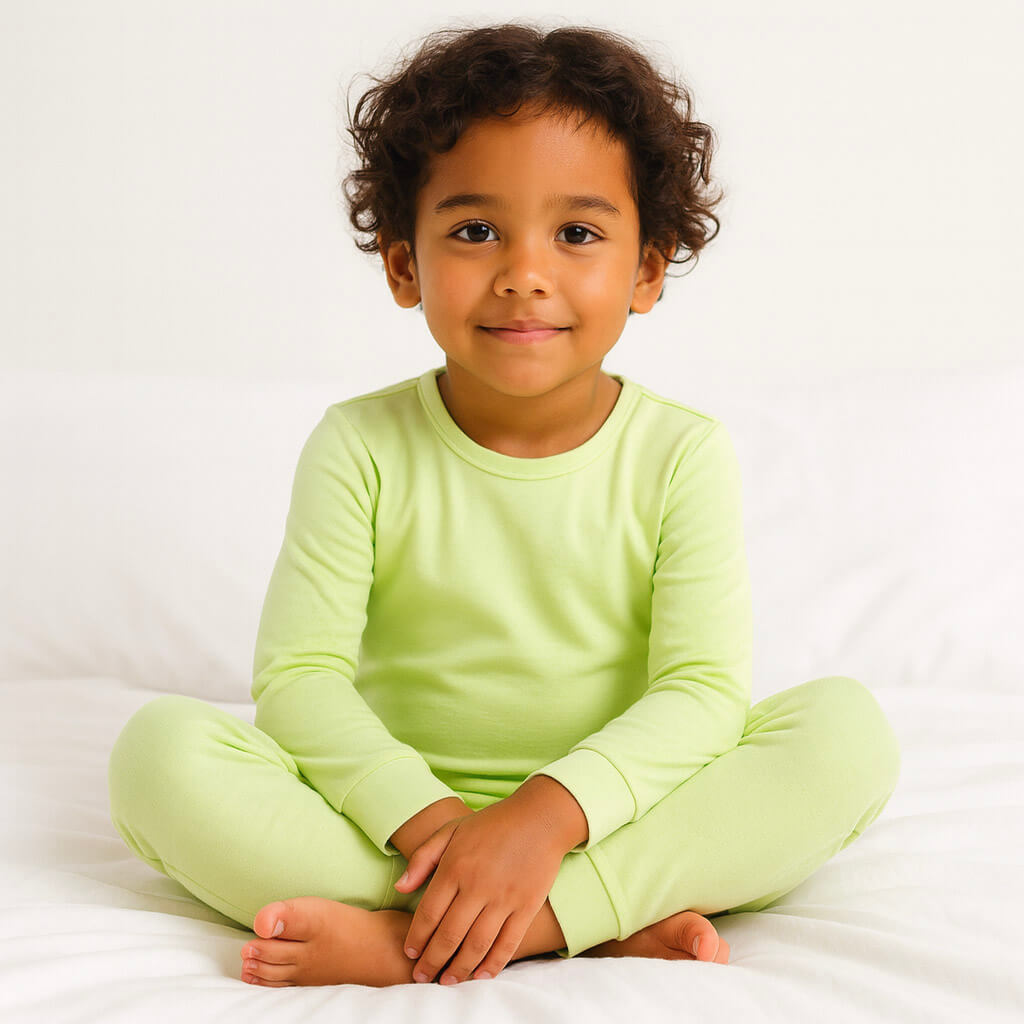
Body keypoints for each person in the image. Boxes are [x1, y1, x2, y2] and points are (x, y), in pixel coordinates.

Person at [107, 21, 902, 990]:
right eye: (475, 230)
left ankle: (470, 930)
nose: (525, 271)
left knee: (846, 738)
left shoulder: (682, 453)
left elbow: (699, 693)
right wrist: (443, 826)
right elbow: (300, 679)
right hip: (395, 824)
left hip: (612, 811)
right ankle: (578, 916)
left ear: (646, 268)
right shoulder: (359, 445)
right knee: (158, 756)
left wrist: (543, 819)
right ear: (405, 264)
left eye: (576, 233)